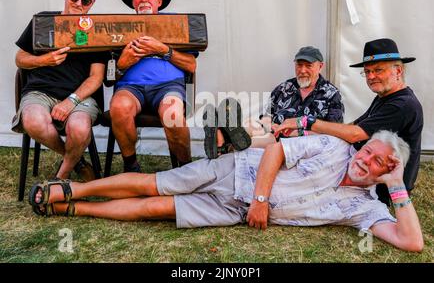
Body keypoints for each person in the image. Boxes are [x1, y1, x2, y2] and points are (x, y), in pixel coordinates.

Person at [28, 130, 424, 252]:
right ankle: (75, 188)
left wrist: (396, 186)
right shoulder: (336, 147)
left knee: (158, 208)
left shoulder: (365, 207)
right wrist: (261, 201)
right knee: (156, 181)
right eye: (367, 149)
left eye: (376, 161)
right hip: (238, 172)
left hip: (234, 211)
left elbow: (411, 243)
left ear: (386, 171)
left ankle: (75, 211)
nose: (364, 159)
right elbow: (273, 150)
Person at [272, 38, 423, 204]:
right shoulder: (386, 97)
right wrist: (306, 132)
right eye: (367, 72)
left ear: (398, 71)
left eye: (378, 70)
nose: (371, 76)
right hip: (359, 169)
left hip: (378, 186)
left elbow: (355, 135)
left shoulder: (402, 105)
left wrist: (305, 122)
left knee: (294, 183)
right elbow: (352, 126)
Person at [12, 0, 107, 181]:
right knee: (33, 121)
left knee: (80, 128)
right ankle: (76, 161)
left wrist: (70, 101)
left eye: (85, 0)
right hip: (39, 92)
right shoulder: (44, 20)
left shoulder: (97, 30)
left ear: (92, 3)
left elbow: (96, 77)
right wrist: (43, 60)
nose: (79, 3)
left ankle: (59, 178)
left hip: (80, 98)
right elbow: (20, 58)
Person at [109, 0, 198, 172]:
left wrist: (163, 49)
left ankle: (186, 170)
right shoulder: (118, 27)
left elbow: (191, 65)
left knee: (172, 114)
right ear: (133, 2)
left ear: (159, 1)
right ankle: (131, 166)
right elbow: (107, 77)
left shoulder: (175, 24)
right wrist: (122, 64)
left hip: (168, 87)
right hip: (130, 88)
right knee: (119, 108)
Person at [203, 47, 344, 158]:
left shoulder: (331, 94)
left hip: (300, 140)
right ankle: (223, 135)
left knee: (269, 139)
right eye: (299, 65)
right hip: (274, 130)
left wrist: (297, 132)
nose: (302, 70)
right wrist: (271, 124)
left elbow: (334, 132)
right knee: (252, 125)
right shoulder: (284, 88)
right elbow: (267, 115)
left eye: (308, 66)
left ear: (320, 66)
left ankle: (224, 144)